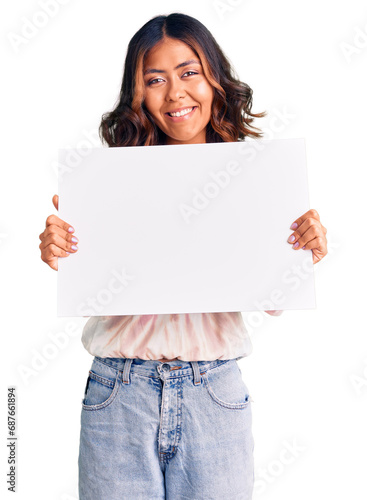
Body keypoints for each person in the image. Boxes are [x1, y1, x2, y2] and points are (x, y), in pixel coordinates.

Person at [38, 12, 328, 500]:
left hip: (213, 392)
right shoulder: (105, 179)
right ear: (138, 92)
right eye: (155, 79)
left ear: (214, 78)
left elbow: (273, 297)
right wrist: (62, 250)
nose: (175, 93)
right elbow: (91, 293)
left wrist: (302, 250)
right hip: (119, 393)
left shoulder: (254, 174)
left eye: (188, 72)